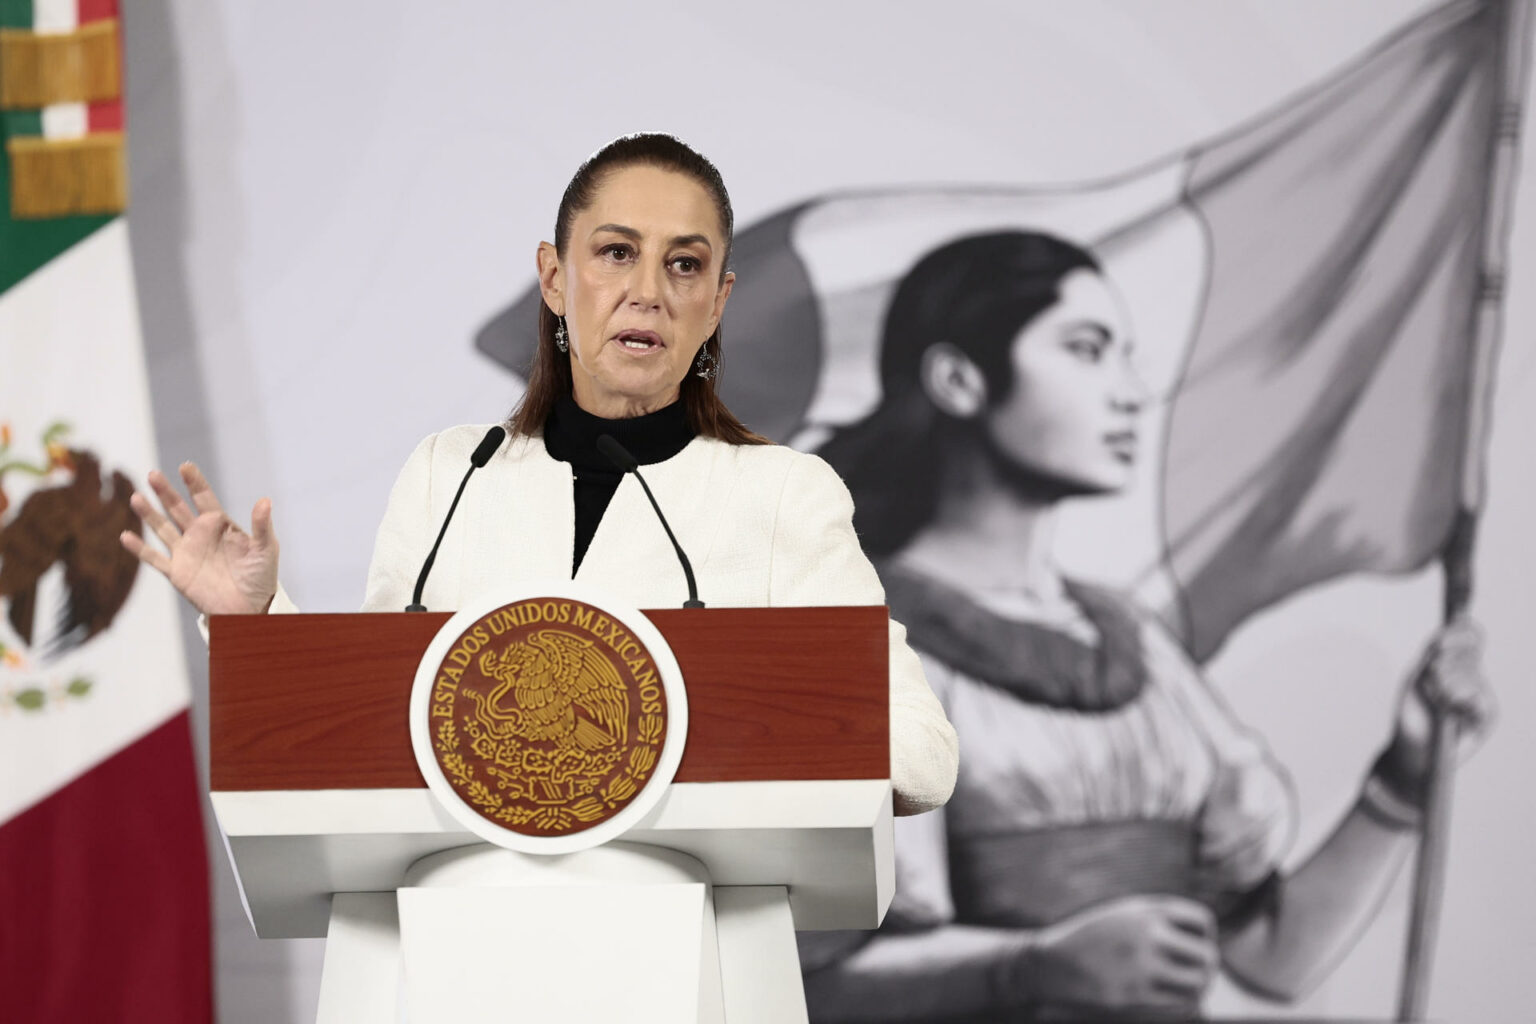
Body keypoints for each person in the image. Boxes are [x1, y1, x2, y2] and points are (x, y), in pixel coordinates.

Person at [118, 132, 959, 817]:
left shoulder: (781, 495)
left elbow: (923, 758)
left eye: (685, 264)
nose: (648, 291)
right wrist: (254, 623)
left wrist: (705, 723)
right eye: (616, 253)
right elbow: (372, 731)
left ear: (718, 302)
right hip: (470, 945)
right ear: (555, 279)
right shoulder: (452, 478)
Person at [800, 231, 1495, 1020]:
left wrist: (1404, 778)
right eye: (1086, 349)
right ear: (959, 380)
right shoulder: (842, 639)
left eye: (1126, 356)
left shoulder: (1135, 644)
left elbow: (1271, 959)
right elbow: (800, 984)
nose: (1132, 392)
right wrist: (1029, 968)